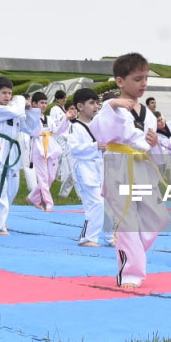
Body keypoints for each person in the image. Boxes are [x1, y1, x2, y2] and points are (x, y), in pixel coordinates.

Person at [92, 53, 171, 288]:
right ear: (120, 81)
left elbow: (149, 146)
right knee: (127, 222)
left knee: (159, 217)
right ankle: (130, 273)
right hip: (118, 166)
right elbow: (100, 133)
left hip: (142, 168)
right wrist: (110, 105)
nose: (143, 84)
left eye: (146, 78)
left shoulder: (148, 114)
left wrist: (154, 143)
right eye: (137, 79)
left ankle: (131, 251)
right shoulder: (112, 108)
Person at [0, 77, 39, 234]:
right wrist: (20, 100)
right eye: (4, 93)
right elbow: (15, 111)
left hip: (13, 149)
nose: (7, 96)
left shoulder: (15, 109)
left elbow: (29, 128)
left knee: (13, 187)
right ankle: (0, 224)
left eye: (10, 93)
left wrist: (29, 110)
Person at [65, 88, 106, 247]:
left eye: (97, 103)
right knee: (95, 203)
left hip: (99, 168)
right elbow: (74, 149)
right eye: (91, 103)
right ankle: (87, 237)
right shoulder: (75, 126)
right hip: (84, 169)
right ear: (80, 106)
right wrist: (95, 146)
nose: (96, 106)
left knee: (106, 203)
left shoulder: (98, 125)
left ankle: (110, 237)